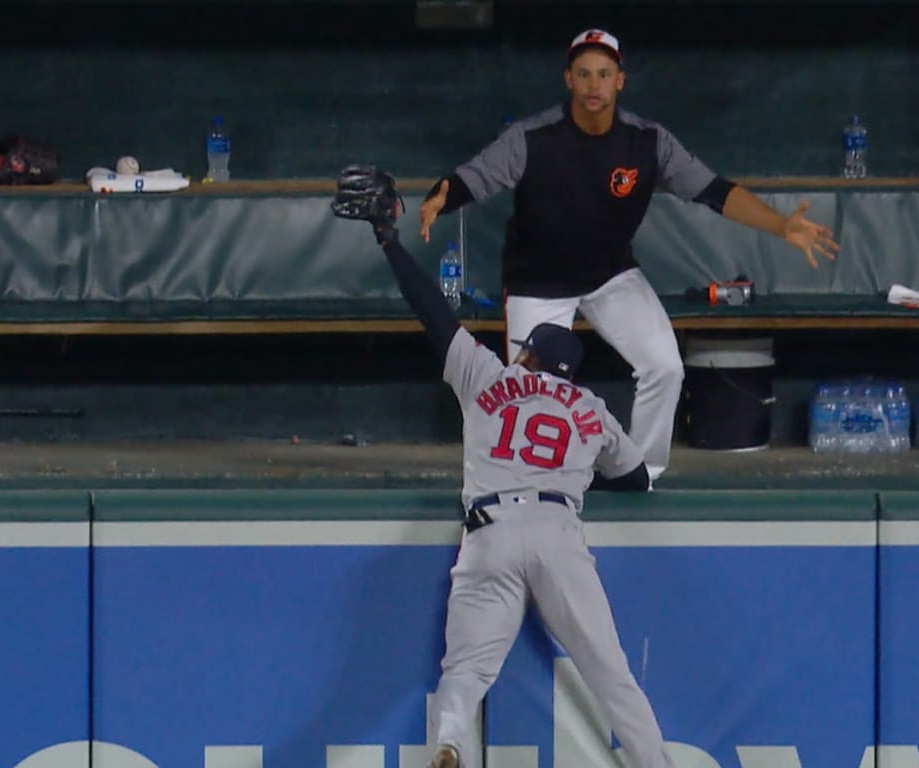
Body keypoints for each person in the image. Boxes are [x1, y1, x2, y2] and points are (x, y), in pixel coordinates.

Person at [332, 165, 675, 768]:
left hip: (489, 531)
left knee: (464, 671)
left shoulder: (490, 374)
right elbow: (636, 476)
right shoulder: (591, 409)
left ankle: (449, 742)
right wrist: (582, 468)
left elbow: (432, 313)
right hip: (557, 531)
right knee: (612, 675)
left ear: (528, 354)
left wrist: (389, 238)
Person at [416, 28, 840, 482]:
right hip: (537, 283)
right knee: (531, 394)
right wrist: (440, 199)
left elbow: (715, 191)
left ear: (621, 80)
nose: (594, 85)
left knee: (665, 367)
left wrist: (781, 225)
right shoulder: (533, 137)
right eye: (584, 74)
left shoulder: (648, 142)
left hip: (610, 275)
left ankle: (641, 475)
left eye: (604, 74)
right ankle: (544, 485)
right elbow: (475, 177)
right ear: (568, 80)